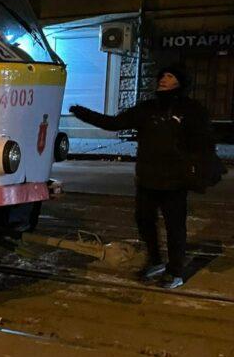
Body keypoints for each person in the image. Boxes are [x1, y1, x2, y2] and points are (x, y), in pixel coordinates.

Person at [70, 65, 218, 290]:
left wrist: (202, 168)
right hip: (148, 178)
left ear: (180, 82)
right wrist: (82, 113)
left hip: (176, 180)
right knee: (144, 221)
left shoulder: (191, 109)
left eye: (170, 76)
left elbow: (204, 142)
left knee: (175, 227)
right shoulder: (148, 109)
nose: (164, 79)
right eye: (163, 76)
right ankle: (156, 261)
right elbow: (114, 123)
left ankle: (175, 271)